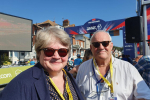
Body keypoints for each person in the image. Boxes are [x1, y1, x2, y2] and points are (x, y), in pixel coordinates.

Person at [0, 26, 84, 100]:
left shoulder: (69, 77)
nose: (56, 56)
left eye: (62, 51)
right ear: (39, 53)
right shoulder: (20, 84)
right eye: (49, 51)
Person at [76, 30, 150, 100]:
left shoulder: (128, 68)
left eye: (105, 43)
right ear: (91, 48)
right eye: (96, 44)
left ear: (111, 46)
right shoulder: (83, 68)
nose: (101, 47)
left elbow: (144, 95)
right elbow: (77, 94)